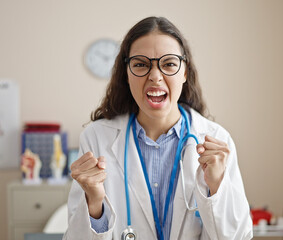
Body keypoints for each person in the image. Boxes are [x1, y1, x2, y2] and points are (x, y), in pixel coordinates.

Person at [64, 16, 252, 240]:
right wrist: (94, 202)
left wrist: (217, 186)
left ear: (184, 72)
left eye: (169, 64)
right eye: (141, 64)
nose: (155, 76)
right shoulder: (97, 139)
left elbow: (238, 236)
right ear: (126, 72)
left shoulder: (217, 140)